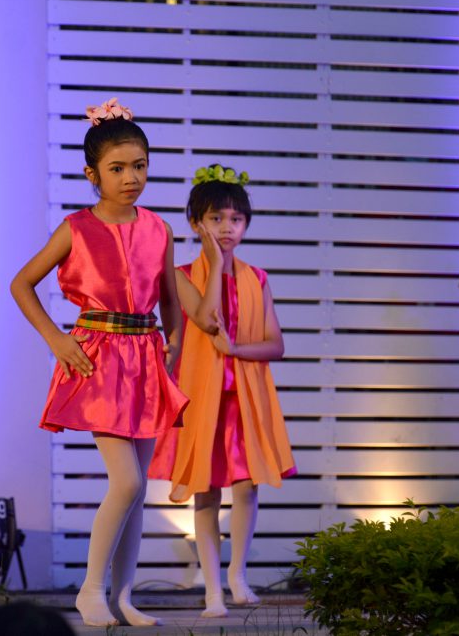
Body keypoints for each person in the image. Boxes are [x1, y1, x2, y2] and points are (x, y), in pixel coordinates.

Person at [11, 99, 187, 627]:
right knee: (126, 481)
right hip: (100, 361)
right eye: (117, 168)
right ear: (93, 175)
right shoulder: (76, 228)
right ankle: (90, 590)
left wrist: (174, 344)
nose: (131, 178)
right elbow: (21, 284)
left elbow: (170, 297)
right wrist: (56, 340)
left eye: (140, 166)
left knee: (139, 488)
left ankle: (123, 596)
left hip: (146, 358)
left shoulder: (159, 229)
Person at [150, 165, 295, 618]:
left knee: (248, 488)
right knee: (206, 492)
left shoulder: (257, 278)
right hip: (202, 398)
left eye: (235, 219)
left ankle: (237, 574)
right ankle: (212, 589)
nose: (227, 227)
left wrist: (237, 350)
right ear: (196, 223)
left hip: (245, 399)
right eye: (216, 218)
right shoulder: (181, 275)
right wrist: (214, 266)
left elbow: (276, 344)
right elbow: (206, 318)